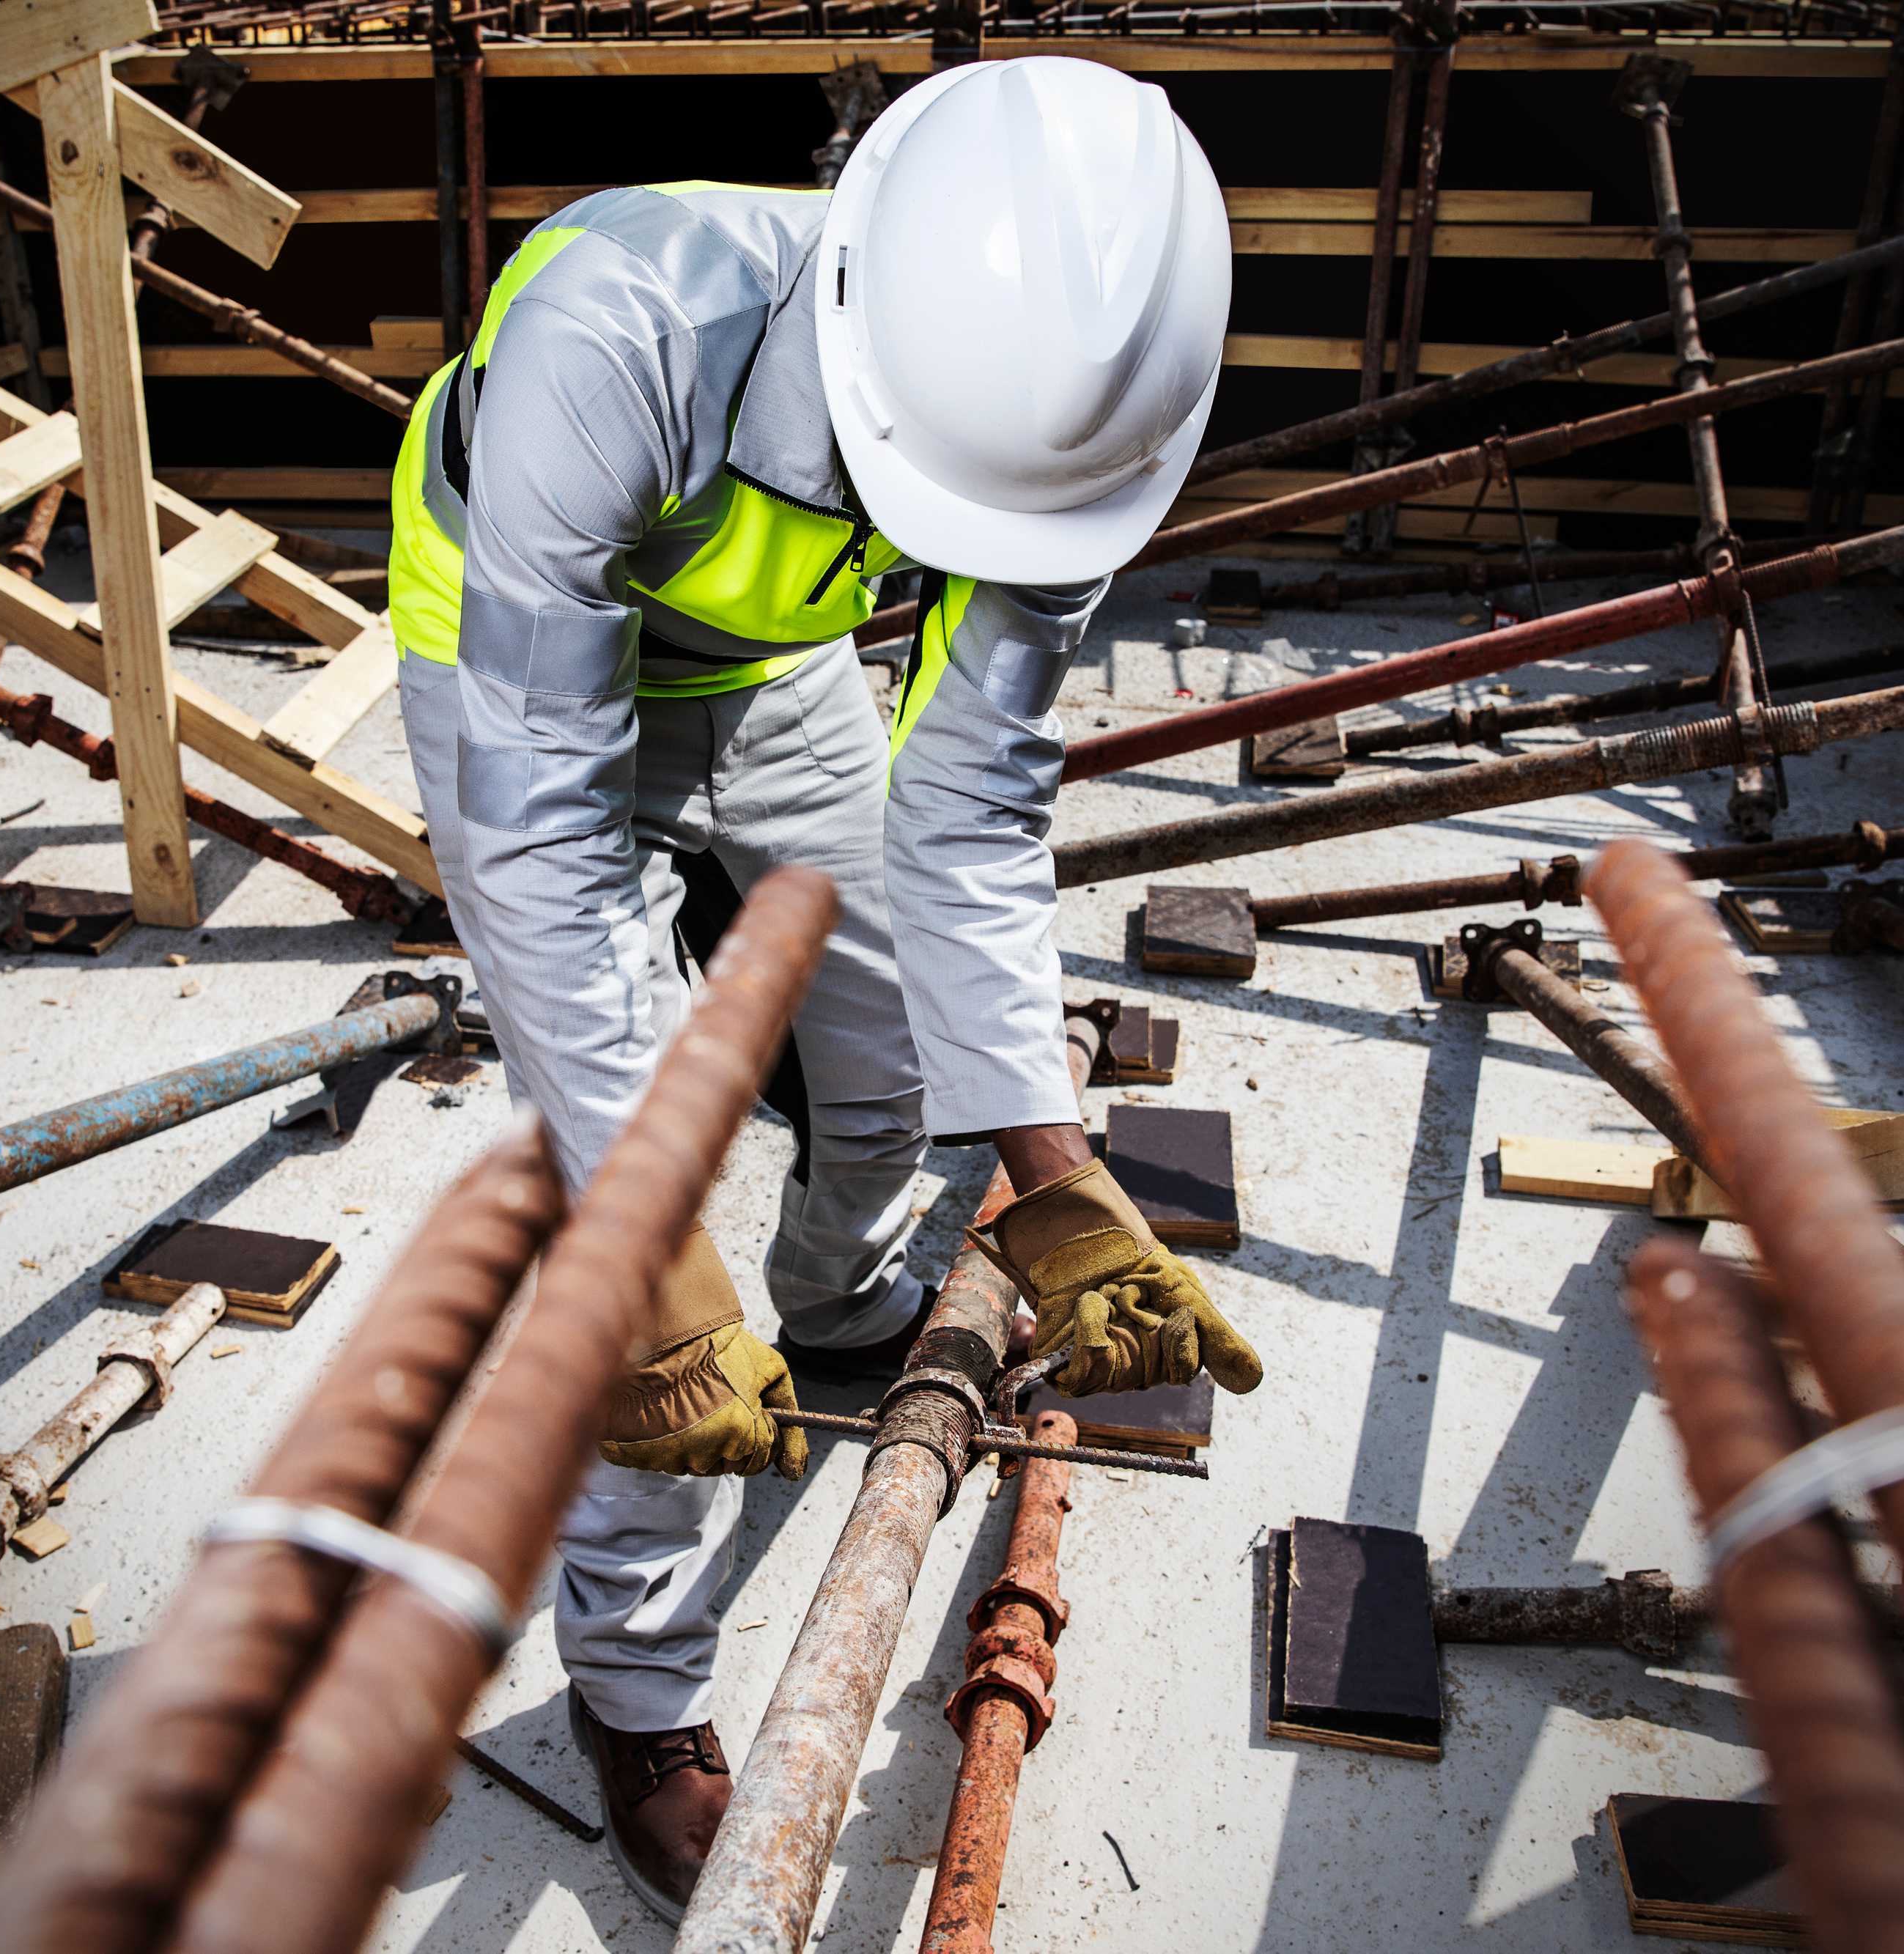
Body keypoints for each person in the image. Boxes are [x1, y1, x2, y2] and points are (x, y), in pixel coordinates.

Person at [385, 54, 1261, 1917]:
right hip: (525, 651)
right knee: (644, 1196)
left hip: (775, 667)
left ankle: (834, 1305)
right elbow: (540, 839)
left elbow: (969, 817)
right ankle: (634, 1686)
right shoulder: (619, 320)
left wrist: (1054, 1175)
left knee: (872, 1072)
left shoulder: (1055, 431)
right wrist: (649, 1261)